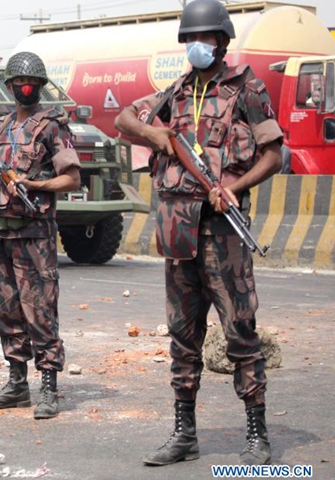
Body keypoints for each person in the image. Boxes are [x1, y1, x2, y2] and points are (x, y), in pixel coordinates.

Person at [113, 0, 282, 466]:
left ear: (222, 42)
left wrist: (232, 185)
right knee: (182, 336)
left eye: (204, 39)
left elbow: (274, 155)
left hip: (223, 235)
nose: (196, 46)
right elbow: (125, 118)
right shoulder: (177, 91)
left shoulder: (247, 88)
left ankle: (256, 435)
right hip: (179, 235)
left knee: (240, 334)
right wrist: (159, 137)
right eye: (190, 39)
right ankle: (184, 433)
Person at [0, 51, 81, 420]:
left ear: (41, 87)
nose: (26, 89)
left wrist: (34, 183)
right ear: (10, 86)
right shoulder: (1, 128)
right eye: (20, 83)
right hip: (1, 233)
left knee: (40, 309)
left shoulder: (51, 126)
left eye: (32, 84)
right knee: (8, 310)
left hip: (34, 233)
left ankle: (48, 386)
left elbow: (72, 178)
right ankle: (17, 383)